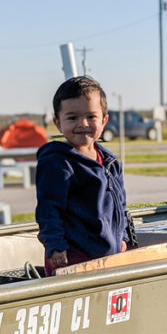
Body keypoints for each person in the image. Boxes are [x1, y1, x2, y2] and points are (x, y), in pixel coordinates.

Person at [36, 76, 130, 275]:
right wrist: (55, 245)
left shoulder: (110, 163)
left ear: (104, 120)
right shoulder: (58, 163)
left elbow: (120, 205)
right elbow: (49, 209)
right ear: (58, 123)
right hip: (72, 257)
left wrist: (124, 238)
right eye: (72, 118)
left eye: (91, 117)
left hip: (109, 256)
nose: (83, 123)